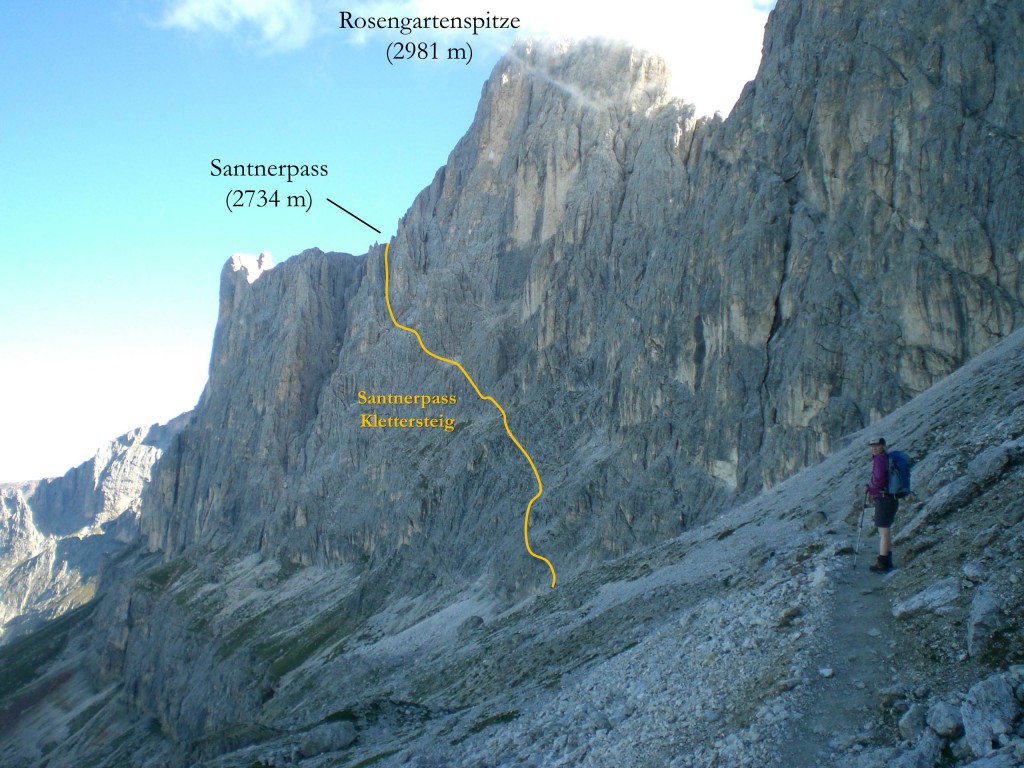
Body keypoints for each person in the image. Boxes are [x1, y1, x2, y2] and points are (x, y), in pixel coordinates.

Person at [864, 437, 898, 572]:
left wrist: (870, 490)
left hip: (884, 498)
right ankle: (887, 561)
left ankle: (882, 563)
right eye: (872, 446)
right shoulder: (886, 458)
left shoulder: (879, 460)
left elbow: (879, 480)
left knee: (883, 531)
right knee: (886, 530)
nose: (874, 448)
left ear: (883, 446)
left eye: (877, 446)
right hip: (891, 497)